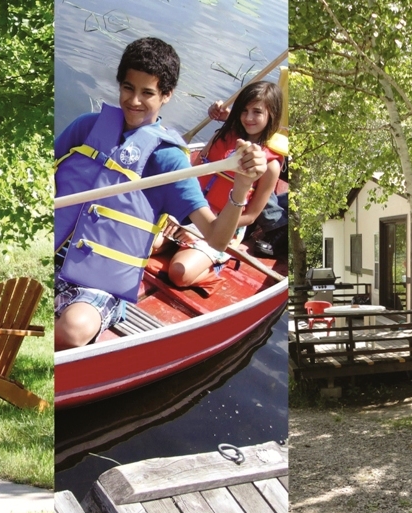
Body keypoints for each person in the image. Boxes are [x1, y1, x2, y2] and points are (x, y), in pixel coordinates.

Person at [54, 37, 267, 350]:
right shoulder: (86, 127)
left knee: (72, 331)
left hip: (98, 284)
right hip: (54, 255)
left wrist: (242, 185)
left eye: (147, 93)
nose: (134, 101)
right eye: (128, 88)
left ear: (167, 95)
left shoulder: (170, 160)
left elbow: (217, 237)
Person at [160, 81, 286, 287]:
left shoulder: (270, 165)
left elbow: (251, 216)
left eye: (257, 112)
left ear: (271, 115)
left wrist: (204, 228)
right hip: (190, 209)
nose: (248, 118)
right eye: (244, 110)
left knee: (178, 274)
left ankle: (213, 271)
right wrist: (181, 215)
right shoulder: (222, 135)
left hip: (224, 225)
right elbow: (190, 177)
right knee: (148, 246)